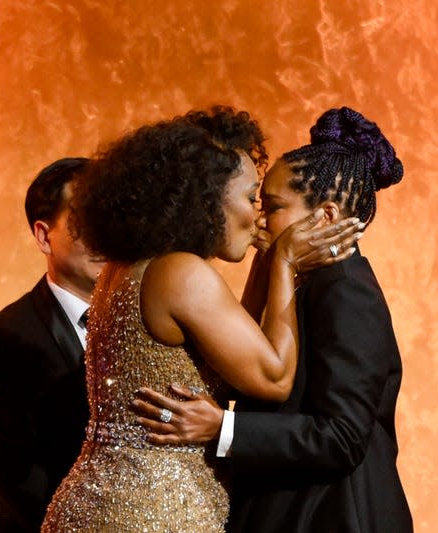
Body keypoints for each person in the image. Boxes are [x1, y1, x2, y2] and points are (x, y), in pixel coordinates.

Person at [40, 107, 362, 532]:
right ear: (207, 198)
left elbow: (229, 358)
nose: (259, 217)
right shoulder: (181, 273)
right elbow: (273, 375)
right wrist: (284, 262)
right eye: (250, 198)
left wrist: (265, 265)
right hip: (151, 514)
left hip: (97, 505)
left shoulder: (129, 267)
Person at [133, 106, 414, 532]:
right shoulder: (307, 282)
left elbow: (341, 437)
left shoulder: (347, 291)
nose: (261, 219)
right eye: (257, 202)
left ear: (327, 216)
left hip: (333, 518)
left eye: (274, 206)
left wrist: (223, 428)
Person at [0, 158, 104, 533]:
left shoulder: (151, 323)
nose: (104, 235)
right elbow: (15, 473)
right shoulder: (0, 337)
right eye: (85, 219)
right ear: (44, 236)